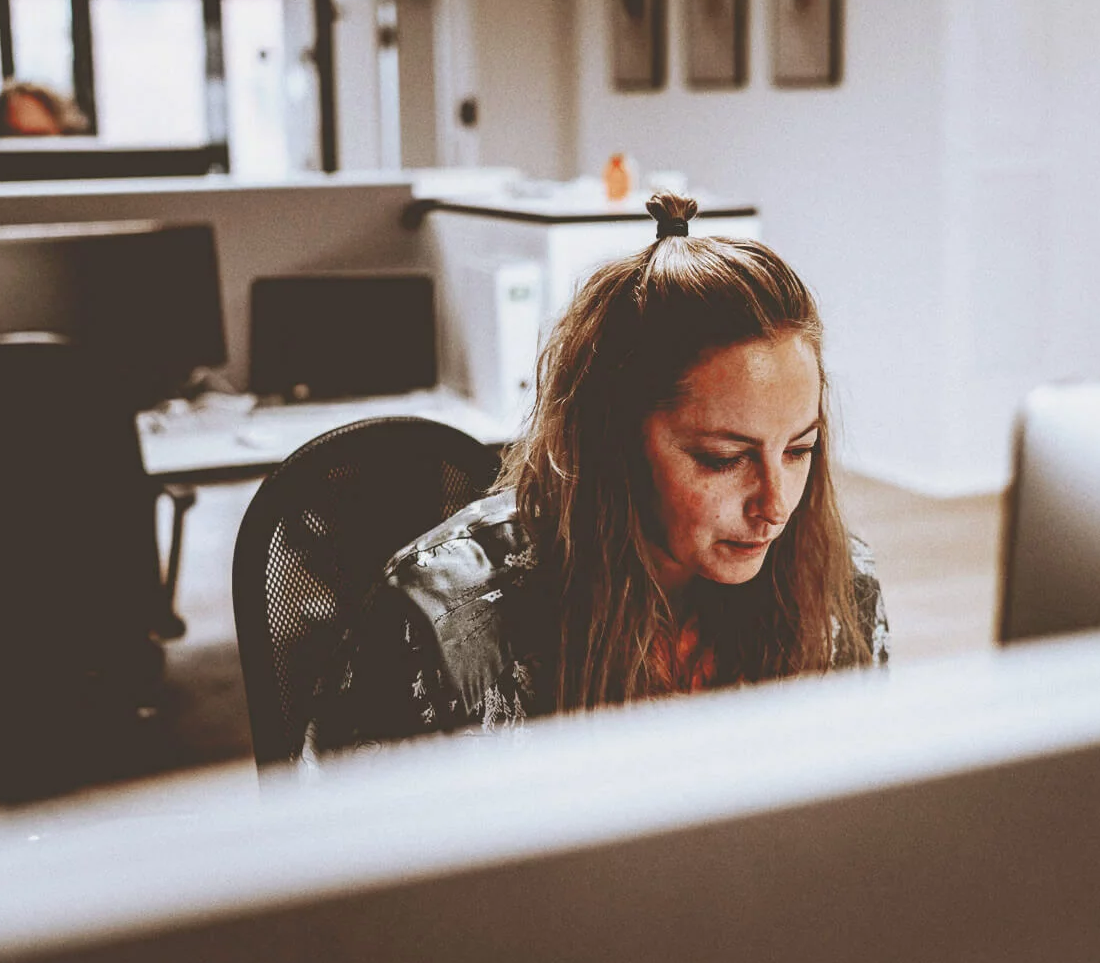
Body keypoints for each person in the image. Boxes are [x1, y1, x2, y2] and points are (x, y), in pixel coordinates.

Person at [309, 192, 887, 750]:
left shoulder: (839, 582)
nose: (776, 505)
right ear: (615, 441)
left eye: (798, 451)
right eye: (723, 459)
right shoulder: (437, 630)